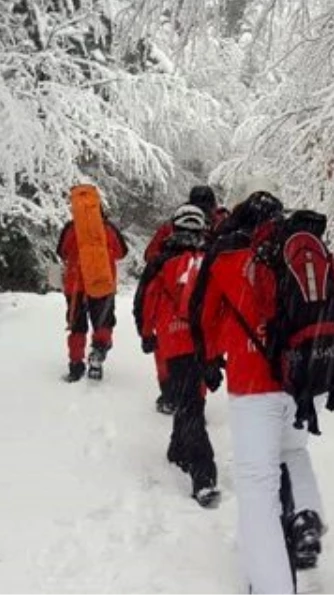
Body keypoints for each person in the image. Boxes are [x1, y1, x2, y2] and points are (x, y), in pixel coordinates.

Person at [189, 182, 334, 594]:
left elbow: (204, 322)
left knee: (257, 488)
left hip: (255, 386)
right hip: (308, 380)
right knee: (293, 449)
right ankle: (306, 515)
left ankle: (271, 584)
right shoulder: (304, 250)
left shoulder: (227, 257)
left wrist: (213, 359)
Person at [134, 205, 220, 507]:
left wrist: (146, 333)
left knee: (189, 405)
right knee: (192, 403)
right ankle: (190, 463)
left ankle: (190, 464)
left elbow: (145, 299)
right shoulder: (210, 262)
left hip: (173, 342)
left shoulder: (161, 262)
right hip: (203, 344)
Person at [143, 185, 229, 412]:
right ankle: (195, 400)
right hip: (206, 300)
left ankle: (170, 395)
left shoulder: (171, 226)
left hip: (171, 298)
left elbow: (150, 256)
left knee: (167, 346)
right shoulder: (221, 225)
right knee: (201, 349)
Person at [56, 194, 128, 382]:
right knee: (103, 322)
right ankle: (98, 352)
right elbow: (122, 252)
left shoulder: (71, 228)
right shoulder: (109, 229)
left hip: (76, 285)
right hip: (102, 283)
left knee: (77, 326)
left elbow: (62, 252)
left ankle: (75, 365)